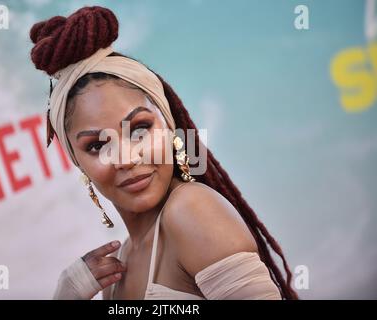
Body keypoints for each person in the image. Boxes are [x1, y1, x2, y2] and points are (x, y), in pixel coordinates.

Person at [29, 5, 298, 300]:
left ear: (170, 126)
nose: (127, 158)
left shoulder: (192, 211)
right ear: (79, 163)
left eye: (140, 129)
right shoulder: (118, 270)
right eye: (97, 145)